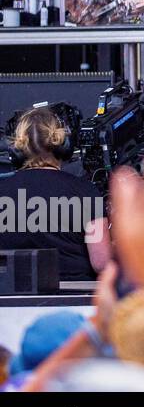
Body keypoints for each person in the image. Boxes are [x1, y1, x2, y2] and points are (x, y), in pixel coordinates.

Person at [0, 107, 109, 281]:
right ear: (62, 145)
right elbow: (101, 262)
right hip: (76, 299)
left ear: (17, 149)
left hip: (10, 300)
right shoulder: (84, 191)